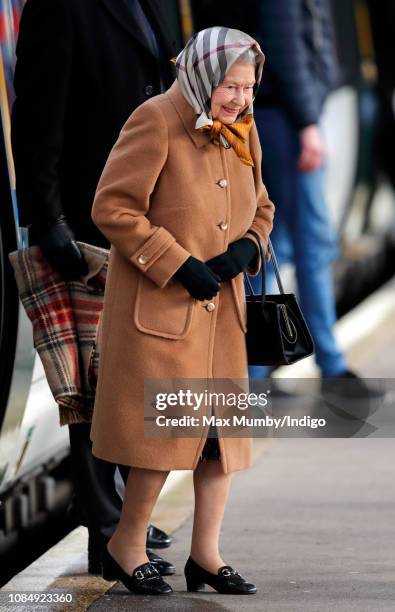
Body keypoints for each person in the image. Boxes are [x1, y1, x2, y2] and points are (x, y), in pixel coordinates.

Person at [89, 27, 275, 595]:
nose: (240, 98)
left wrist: (249, 246)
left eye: (247, 87)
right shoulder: (156, 118)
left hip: (223, 318)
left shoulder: (243, 130)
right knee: (162, 440)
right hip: (164, 312)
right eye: (229, 85)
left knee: (218, 444)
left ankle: (207, 557)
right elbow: (112, 207)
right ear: (201, 75)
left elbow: (261, 205)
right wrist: (177, 262)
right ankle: (126, 544)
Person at [10, 0, 181, 574]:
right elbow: (35, 113)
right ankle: (108, 532)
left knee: (141, 368)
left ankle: (125, 517)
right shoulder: (58, 9)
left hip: (152, 210)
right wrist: (46, 218)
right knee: (93, 381)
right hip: (87, 218)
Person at [248, 0, 385, 401]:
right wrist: (308, 123)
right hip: (289, 121)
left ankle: (254, 373)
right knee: (313, 242)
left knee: (277, 246)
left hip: (290, 116)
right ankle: (330, 365)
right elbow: (285, 48)